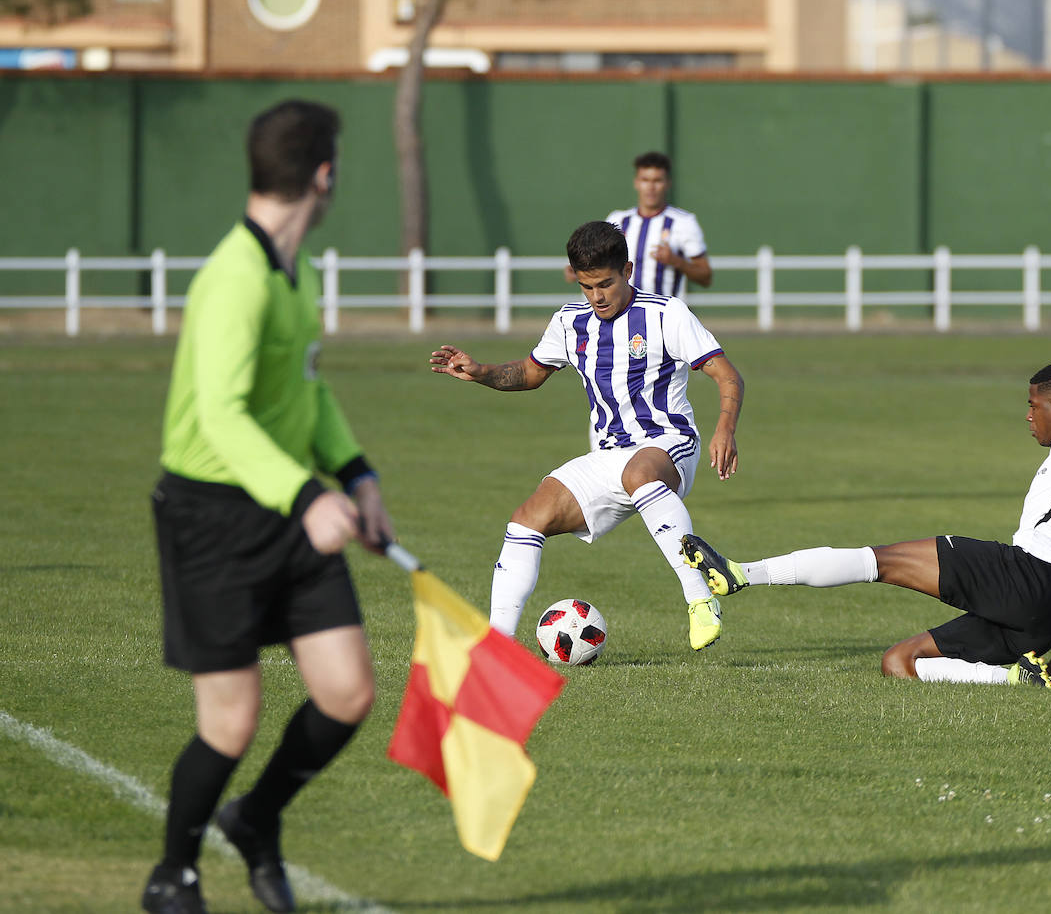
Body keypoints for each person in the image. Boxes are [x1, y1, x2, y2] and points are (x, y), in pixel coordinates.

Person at [142, 100, 394, 914]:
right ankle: (173, 874)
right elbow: (220, 414)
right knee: (230, 722)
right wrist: (306, 494)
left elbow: (307, 391)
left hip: (293, 504)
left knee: (348, 691)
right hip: (213, 516)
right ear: (325, 174)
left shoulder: (298, 270)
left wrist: (355, 474)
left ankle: (254, 819)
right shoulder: (234, 278)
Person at [681, 360, 1051, 686]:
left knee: (881, 560)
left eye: (1034, 406)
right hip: (1046, 614)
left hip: (1029, 580)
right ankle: (1020, 679)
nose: (1028, 416)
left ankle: (739, 574)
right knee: (900, 663)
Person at [432, 220, 743, 650]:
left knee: (640, 473)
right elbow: (529, 373)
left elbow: (728, 376)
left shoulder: (665, 314)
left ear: (628, 271)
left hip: (668, 444)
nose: (596, 296)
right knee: (526, 519)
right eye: (585, 286)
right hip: (607, 457)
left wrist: (724, 428)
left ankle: (700, 598)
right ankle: (496, 646)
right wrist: (481, 372)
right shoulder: (569, 322)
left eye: (604, 284)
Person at [565, 151, 712, 297]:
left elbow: (706, 277)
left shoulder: (683, 222)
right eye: (645, 180)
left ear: (667, 184)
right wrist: (579, 270)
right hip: (620, 312)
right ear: (636, 182)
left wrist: (677, 261)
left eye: (657, 180)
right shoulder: (618, 219)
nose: (651, 187)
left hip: (661, 315)